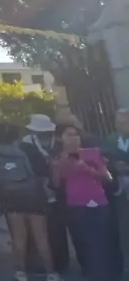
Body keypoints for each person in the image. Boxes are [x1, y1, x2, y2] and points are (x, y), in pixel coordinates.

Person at [0, 122, 59, 281]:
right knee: (42, 237)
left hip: (9, 198)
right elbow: (42, 171)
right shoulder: (27, 148)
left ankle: (20, 272)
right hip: (34, 196)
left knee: (18, 238)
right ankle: (51, 272)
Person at [53, 121, 118, 280]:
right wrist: (58, 167)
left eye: (76, 135)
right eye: (69, 135)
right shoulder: (58, 159)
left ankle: (108, 273)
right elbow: (56, 184)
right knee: (83, 241)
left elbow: (108, 177)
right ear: (60, 138)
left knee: (103, 239)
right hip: (76, 205)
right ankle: (91, 272)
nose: (74, 138)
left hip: (99, 201)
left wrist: (88, 169)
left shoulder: (93, 153)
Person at [23, 114, 71, 275]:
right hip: (36, 192)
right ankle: (39, 264)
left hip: (60, 190)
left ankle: (61, 263)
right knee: (38, 232)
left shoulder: (59, 143)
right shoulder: (25, 144)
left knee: (58, 229)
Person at [103, 107, 129, 276]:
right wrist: (114, 166)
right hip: (120, 189)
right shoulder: (111, 139)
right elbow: (105, 160)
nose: (122, 125)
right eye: (119, 122)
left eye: (125, 121)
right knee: (124, 227)